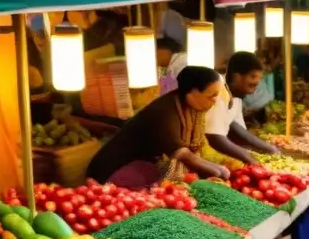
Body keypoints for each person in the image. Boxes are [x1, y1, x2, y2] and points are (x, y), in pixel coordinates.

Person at [87, 66, 230, 186]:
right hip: (111, 171)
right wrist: (216, 170)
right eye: (212, 96)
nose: (215, 101)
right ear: (193, 92)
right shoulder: (164, 111)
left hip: (144, 163)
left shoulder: (188, 106)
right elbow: (182, 153)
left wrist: (216, 169)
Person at [205, 52, 278, 166]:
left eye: (259, 78)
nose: (256, 82)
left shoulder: (237, 95)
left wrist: (269, 149)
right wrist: (249, 159)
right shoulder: (218, 92)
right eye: (253, 76)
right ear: (237, 76)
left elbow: (235, 126)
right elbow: (214, 137)